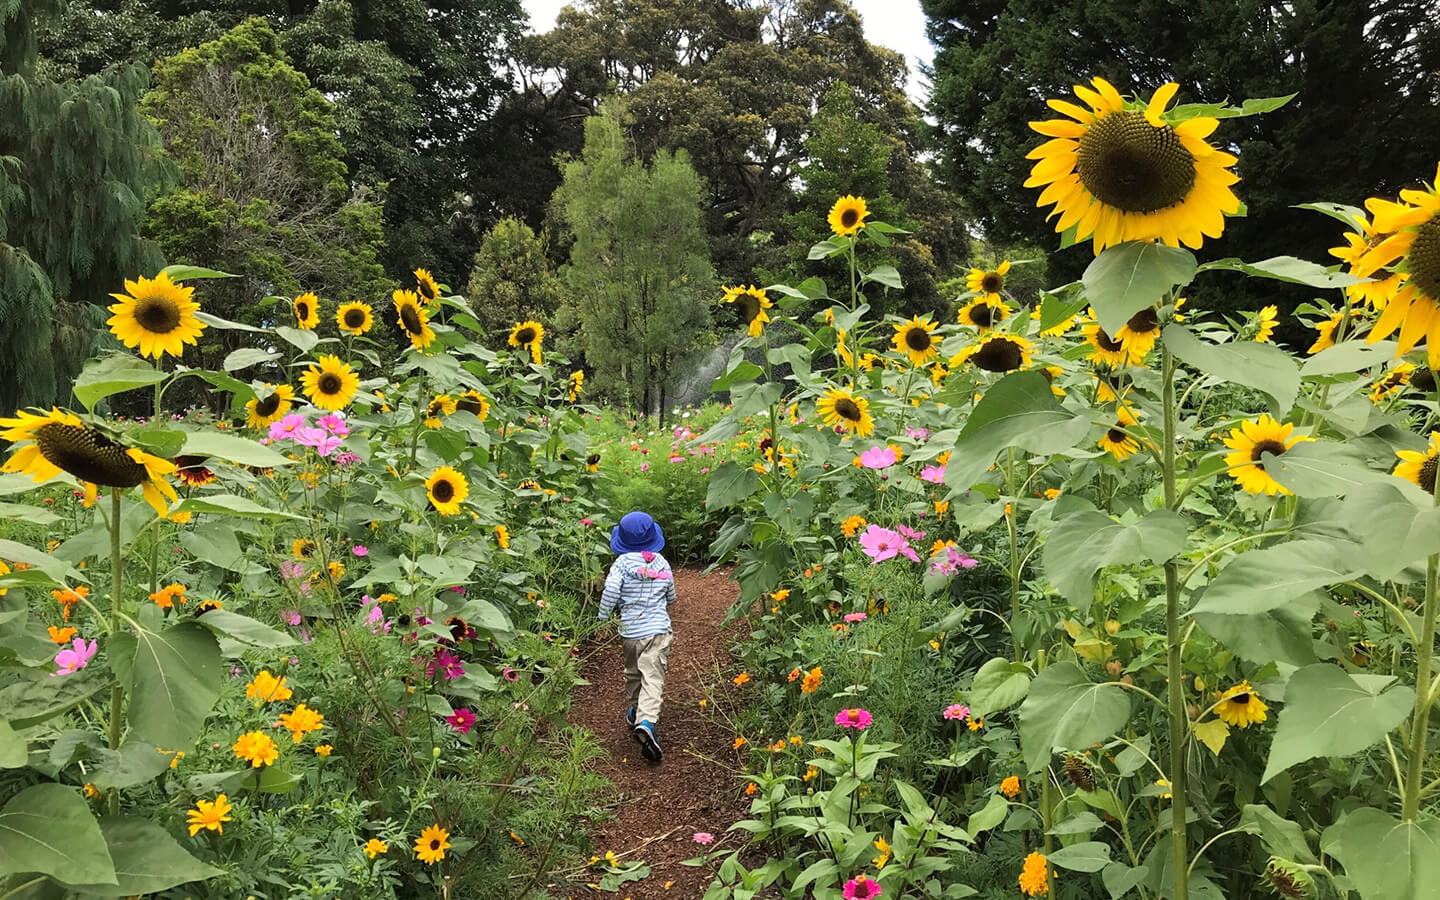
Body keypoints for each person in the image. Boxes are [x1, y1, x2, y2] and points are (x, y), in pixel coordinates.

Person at [598, 510, 675, 763]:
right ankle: (646, 721)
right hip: (657, 631)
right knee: (652, 676)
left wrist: (603, 616)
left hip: (630, 632)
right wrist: (666, 600)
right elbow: (671, 594)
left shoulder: (620, 565)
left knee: (633, 672)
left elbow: (610, 590)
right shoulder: (661, 563)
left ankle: (634, 709)